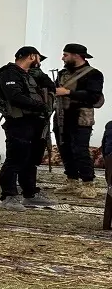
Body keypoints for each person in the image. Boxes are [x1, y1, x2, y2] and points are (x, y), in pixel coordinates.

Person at [0, 46, 56, 211]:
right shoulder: (9, 74)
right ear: (32, 56)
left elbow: (51, 87)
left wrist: (41, 75)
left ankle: (30, 194)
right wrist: (40, 106)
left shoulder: (30, 75)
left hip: (36, 122)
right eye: (38, 58)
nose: (40, 62)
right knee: (15, 160)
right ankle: (8, 196)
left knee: (31, 161)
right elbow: (15, 97)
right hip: (19, 123)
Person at [53, 43, 104, 199]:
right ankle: (72, 181)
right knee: (64, 149)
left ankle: (88, 184)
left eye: (65, 55)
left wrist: (68, 92)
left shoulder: (94, 74)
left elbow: (94, 96)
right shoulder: (62, 74)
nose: (62, 58)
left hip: (80, 117)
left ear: (76, 55)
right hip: (61, 116)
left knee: (80, 151)